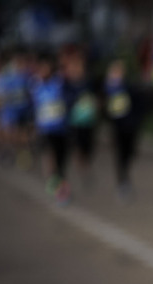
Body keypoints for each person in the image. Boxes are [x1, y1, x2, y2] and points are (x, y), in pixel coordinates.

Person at [32, 52, 71, 203]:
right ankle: (55, 185)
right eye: (41, 69)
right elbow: (34, 108)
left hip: (61, 130)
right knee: (50, 157)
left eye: (46, 68)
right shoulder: (35, 86)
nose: (43, 71)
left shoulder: (58, 83)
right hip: (45, 131)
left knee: (61, 162)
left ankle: (61, 187)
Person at [103, 58, 142, 200]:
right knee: (120, 155)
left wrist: (136, 123)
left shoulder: (130, 87)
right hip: (117, 129)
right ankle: (122, 181)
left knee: (129, 154)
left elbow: (138, 106)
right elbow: (107, 112)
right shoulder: (108, 90)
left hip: (130, 128)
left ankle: (125, 176)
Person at [61, 47, 98, 190]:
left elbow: (96, 98)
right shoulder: (67, 84)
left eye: (79, 66)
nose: (76, 69)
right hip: (74, 123)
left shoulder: (89, 83)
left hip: (88, 123)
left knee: (88, 149)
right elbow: (65, 101)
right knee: (77, 148)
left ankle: (85, 166)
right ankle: (82, 170)